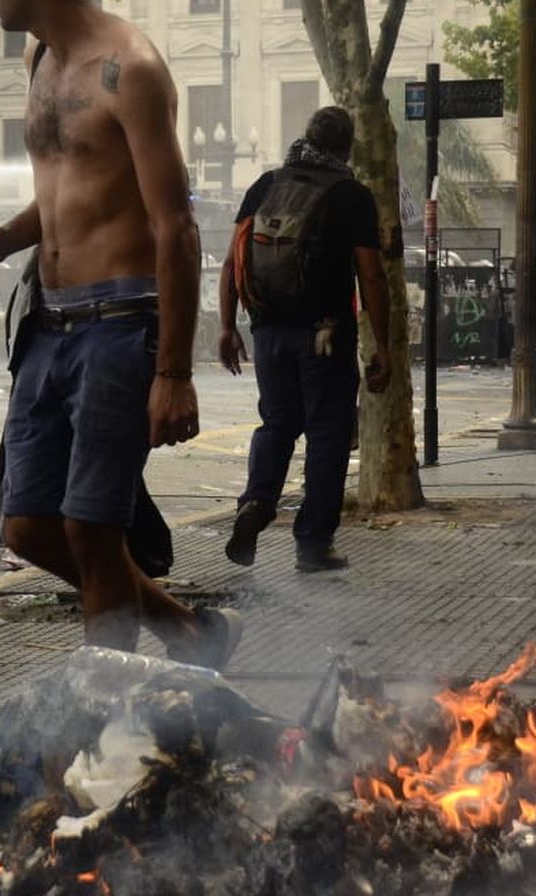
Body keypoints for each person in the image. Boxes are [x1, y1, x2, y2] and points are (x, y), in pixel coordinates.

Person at [0, 0, 242, 668]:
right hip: (47, 321)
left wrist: (174, 373)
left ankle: (107, 698)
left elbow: (175, 224)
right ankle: (188, 630)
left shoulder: (130, 68)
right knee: (27, 526)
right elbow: (67, 187)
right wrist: (2, 239)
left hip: (119, 323)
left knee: (92, 528)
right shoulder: (39, 59)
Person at [217, 107, 391, 572]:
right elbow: (371, 275)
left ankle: (257, 502)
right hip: (325, 336)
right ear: (347, 147)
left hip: (268, 332)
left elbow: (233, 260)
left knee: (276, 424)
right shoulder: (351, 195)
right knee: (327, 434)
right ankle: (313, 544)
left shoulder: (265, 186)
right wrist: (383, 345)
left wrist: (227, 326)